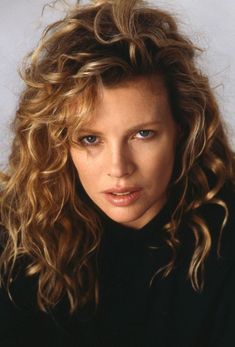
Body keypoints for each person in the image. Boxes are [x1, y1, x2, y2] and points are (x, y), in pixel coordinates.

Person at [0, 0, 235, 346]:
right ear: (59, 144)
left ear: (182, 130)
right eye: (90, 139)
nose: (118, 168)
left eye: (143, 134)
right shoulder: (16, 237)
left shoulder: (227, 238)